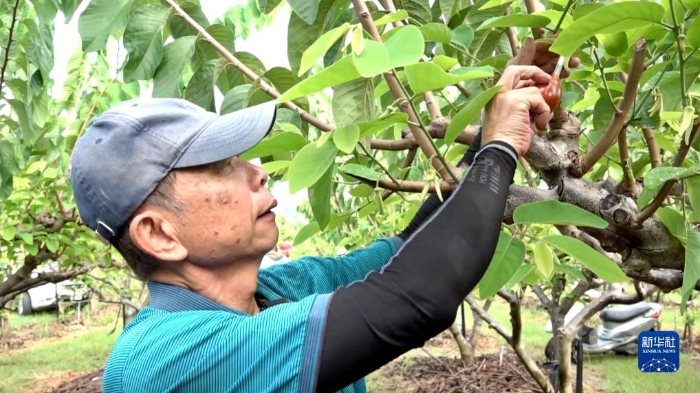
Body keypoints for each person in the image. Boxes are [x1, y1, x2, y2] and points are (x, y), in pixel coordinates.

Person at [69, 40, 576, 393]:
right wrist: (501, 152)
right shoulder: (158, 364)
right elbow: (419, 295)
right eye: (221, 166)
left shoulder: (283, 290)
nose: (256, 172)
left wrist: (490, 134)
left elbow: (410, 251)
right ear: (158, 234)